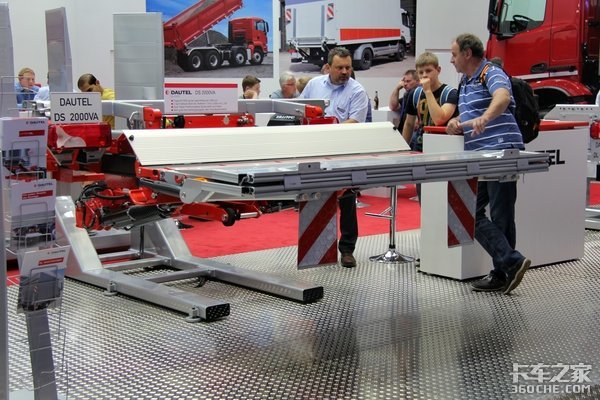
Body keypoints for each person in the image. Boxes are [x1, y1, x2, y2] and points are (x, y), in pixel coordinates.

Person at [446, 33, 531, 294]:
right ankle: (510, 264)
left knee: (501, 214)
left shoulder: (491, 72)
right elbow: (469, 113)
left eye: (454, 54)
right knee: (469, 213)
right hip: (480, 155)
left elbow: (502, 97)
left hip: (501, 150)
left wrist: (486, 117)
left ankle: (502, 273)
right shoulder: (465, 81)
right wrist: (456, 121)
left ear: (467, 53)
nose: (451, 60)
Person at [299, 46, 369, 268]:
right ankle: (315, 248)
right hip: (314, 151)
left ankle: (347, 250)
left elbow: (354, 122)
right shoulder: (314, 85)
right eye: (340, 67)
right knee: (314, 197)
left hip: (344, 152)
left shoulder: (357, 91)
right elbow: (298, 110)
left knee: (347, 201)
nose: (345, 71)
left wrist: (325, 130)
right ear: (328, 67)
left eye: (348, 67)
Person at [402, 52, 458, 153]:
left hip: (443, 147)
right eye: (421, 72)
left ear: (438, 70)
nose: (424, 75)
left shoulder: (450, 93)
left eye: (428, 71)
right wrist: (403, 150)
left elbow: (439, 119)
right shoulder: (415, 94)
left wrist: (428, 91)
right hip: (420, 145)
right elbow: (409, 124)